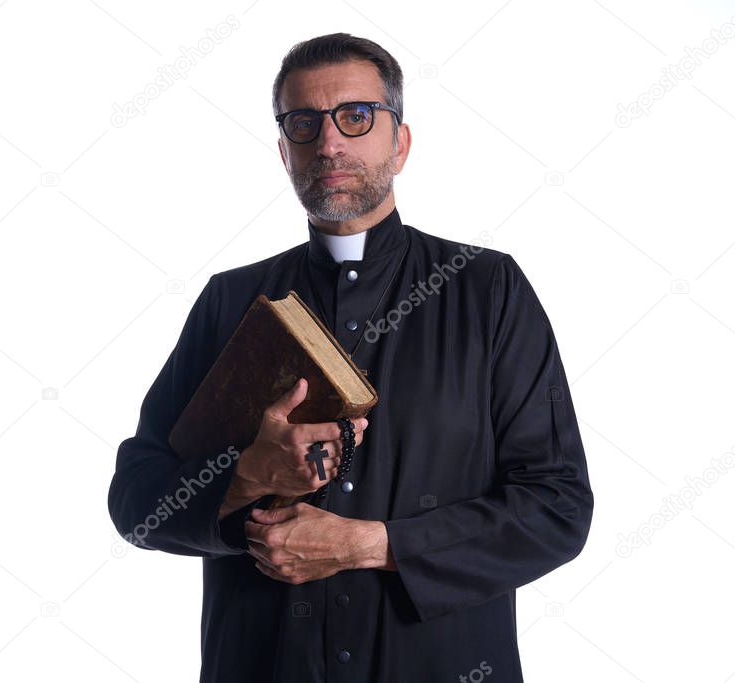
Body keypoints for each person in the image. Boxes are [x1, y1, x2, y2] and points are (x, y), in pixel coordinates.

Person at [107, 31, 593, 683]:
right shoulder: (230, 303)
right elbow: (135, 500)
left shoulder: (489, 290)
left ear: (401, 141)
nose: (329, 143)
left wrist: (372, 545)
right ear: (284, 151)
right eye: (304, 123)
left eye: (355, 117)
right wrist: (244, 476)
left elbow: (556, 507)